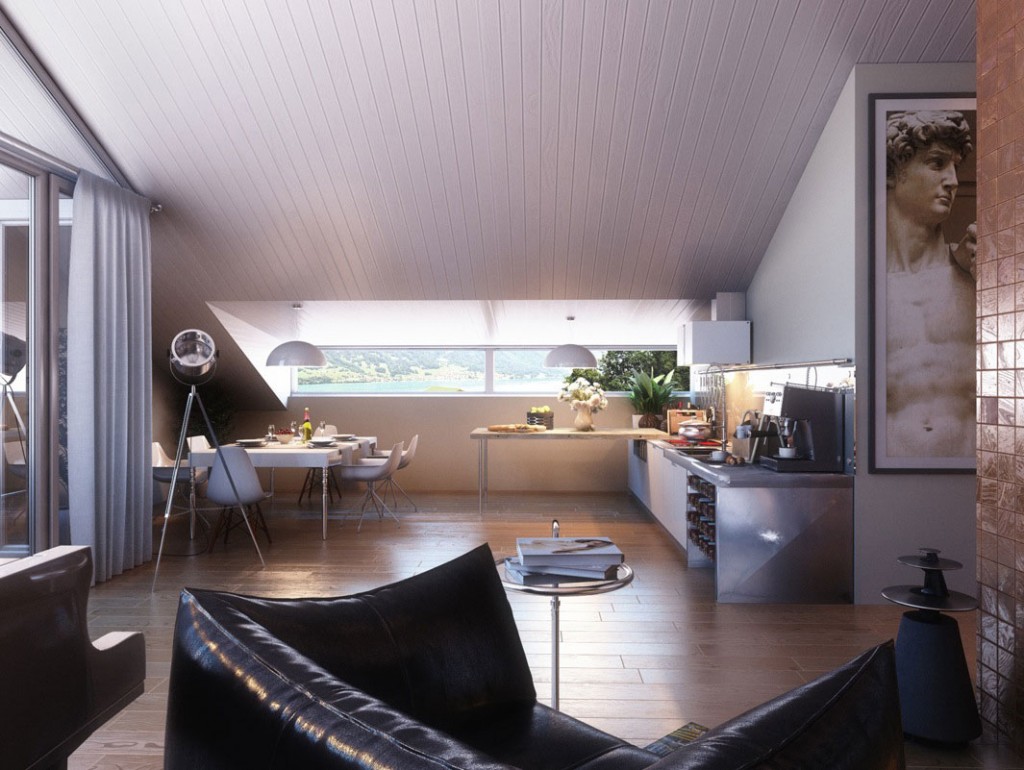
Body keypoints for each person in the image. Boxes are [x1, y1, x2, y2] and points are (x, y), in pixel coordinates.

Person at [884, 110, 975, 460]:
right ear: (895, 173)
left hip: (970, 482)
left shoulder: (974, 272)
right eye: (937, 164)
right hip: (890, 482)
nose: (953, 181)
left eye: (955, 167)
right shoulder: (870, 290)